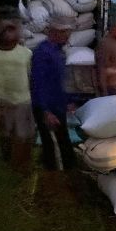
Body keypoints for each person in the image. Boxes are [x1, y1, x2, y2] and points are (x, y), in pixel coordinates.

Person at [0, 21, 34, 174]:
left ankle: (21, 163)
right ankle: (8, 161)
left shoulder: (26, 53)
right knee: (6, 134)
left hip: (23, 100)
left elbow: (30, 75)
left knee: (23, 134)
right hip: (3, 99)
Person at [31, 16, 77, 171]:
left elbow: (59, 81)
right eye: (66, 34)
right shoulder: (42, 53)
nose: (68, 38)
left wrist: (68, 100)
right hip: (48, 107)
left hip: (58, 105)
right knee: (52, 144)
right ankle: (56, 179)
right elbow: (38, 84)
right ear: (56, 33)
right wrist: (46, 112)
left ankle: (70, 172)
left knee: (63, 139)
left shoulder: (58, 52)